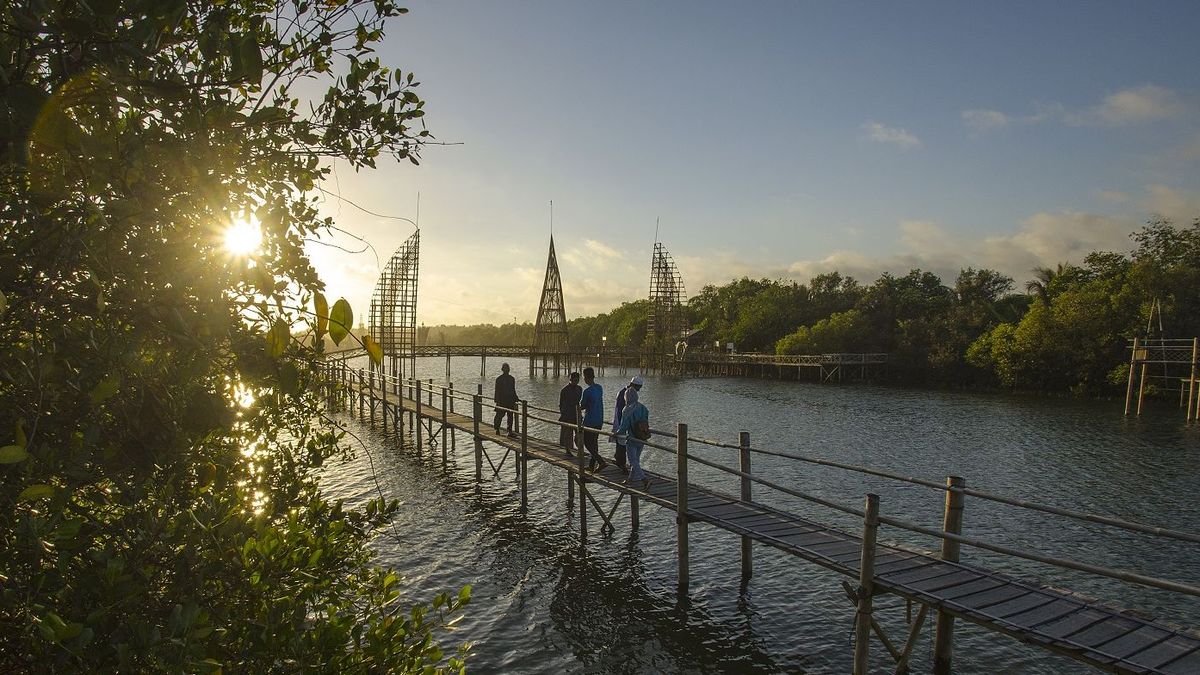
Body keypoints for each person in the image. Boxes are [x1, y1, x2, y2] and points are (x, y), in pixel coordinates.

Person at [615, 387, 650, 489]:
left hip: (632, 438)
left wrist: (617, 433)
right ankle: (630, 479)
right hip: (642, 437)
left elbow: (623, 426)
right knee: (636, 460)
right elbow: (646, 422)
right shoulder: (643, 408)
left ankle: (644, 479)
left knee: (632, 460)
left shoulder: (627, 409)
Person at [610, 375, 644, 472]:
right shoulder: (624, 393)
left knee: (621, 443)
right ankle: (622, 464)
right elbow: (621, 410)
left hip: (624, 421)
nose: (639, 390)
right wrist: (623, 425)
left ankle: (620, 460)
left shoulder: (628, 393)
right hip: (622, 421)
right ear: (634, 385)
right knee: (622, 443)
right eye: (638, 388)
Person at [578, 367, 606, 472]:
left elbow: (583, 405)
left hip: (590, 420)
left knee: (586, 441)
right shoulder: (599, 388)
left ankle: (601, 461)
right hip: (599, 419)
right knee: (594, 442)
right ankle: (591, 465)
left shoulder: (587, 391)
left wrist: (577, 407)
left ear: (585, 377)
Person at [558, 371, 582, 455]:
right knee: (567, 435)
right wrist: (563, 414)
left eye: (577, 380)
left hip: (576, 415)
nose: (575, 382)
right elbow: (561, 404)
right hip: (567, 415)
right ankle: (568, 450)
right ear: (570, 379)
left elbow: (578, 402)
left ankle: (580, 450)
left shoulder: (579, 389)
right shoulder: (564, 390)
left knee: (578, 434)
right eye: (574, 380)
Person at [493, 363, 518, 437]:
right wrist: (497, 400)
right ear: (502, 369)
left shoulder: (512, 379)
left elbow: (513, 390)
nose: (506, 370)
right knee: (499, 415)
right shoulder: (499, 379)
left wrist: (516, 397)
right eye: (505, 368)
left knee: (510, 416)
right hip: (502, 400)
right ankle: (497, 428)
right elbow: (497, 391)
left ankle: (509, 431)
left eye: (507, 368)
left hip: (510, 400)